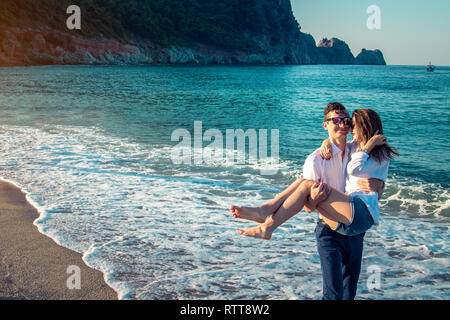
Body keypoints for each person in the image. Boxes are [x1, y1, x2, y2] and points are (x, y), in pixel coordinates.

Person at [230, 103, 397, 299]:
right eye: (336, 121)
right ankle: (264, 216)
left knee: (348, 292)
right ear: (325, 125)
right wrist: (316, 199)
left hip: (355, 226)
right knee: (333, 294)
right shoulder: (316, 159)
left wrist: (380, 185)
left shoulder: (358, 150)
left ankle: (265, 215)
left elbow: (367, 175)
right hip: (330, 227)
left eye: (347, 121)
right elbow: (307, 207)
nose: (343, 125)